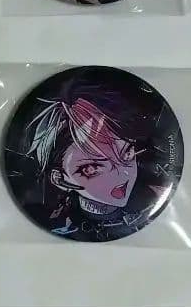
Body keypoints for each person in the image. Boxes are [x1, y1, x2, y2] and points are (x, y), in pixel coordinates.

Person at [20, 80, 151, 241]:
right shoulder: (56, 226)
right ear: (59, 179)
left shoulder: (152, 200)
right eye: (91, 169)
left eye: (128, 153)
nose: (121, 173)